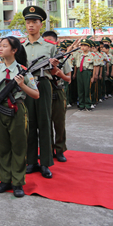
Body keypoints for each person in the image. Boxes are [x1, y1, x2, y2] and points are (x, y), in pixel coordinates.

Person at [0, 36, 39, 198]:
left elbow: (36, 94)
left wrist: (22, 85)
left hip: (16, 110)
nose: (0, 49)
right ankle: (4, 179)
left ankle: (17, 182)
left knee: (18, 147)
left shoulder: (23, 71)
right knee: (2, 147)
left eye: (4, 46)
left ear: (14, 50)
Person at [21, 6, 58, 179]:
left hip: (43, 84)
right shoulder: (20, 46)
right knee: (29, 124)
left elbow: (60, 70)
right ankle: (31, 161)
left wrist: (54, 66)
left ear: (40, 24)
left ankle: (45, 163)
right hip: (26, 85)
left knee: (44, 123)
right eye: (28, 22)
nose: (31, 25)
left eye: (34, 22)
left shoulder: (50, 46)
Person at [43, 32, 72, 163]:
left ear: (55, 42)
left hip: (58, 92)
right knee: (45, 124)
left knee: (59, 123)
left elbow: (69, 78)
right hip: (44, 92)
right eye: (45, 41)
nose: (47, 43)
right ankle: (47, 150)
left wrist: (60, 74)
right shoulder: (41, 58)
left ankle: (59, 150)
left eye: (50, 41)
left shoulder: (62, 57)